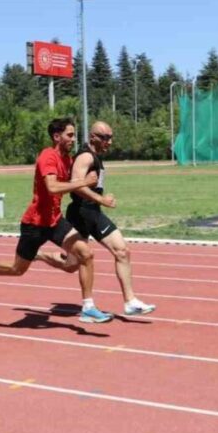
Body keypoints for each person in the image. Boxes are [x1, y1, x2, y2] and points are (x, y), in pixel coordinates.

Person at [0, 117, 113, 323]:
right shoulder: (47, 157)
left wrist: (99, 198)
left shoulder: (68, 160)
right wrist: (83, 182)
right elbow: (52, 187)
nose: (73, 139)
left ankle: (88, 307)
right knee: (17, 269)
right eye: (69, 135)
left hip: (55, 221)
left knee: (86, 254)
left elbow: (76, 186)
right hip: (35, 223)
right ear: (56, 136)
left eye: (74, 135)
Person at [60, 121, 156, 317]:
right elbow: (75, 184)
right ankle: (36, 255)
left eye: (111, 137)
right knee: (71, 265)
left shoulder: (96, 156)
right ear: (92, 137)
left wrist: (98, 201)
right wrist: (101, 199)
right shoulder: (86, 156)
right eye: (105, 137)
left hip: (93, 212)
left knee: (122, 251)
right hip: (80, 213)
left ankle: (130, 302)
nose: (109, 142)